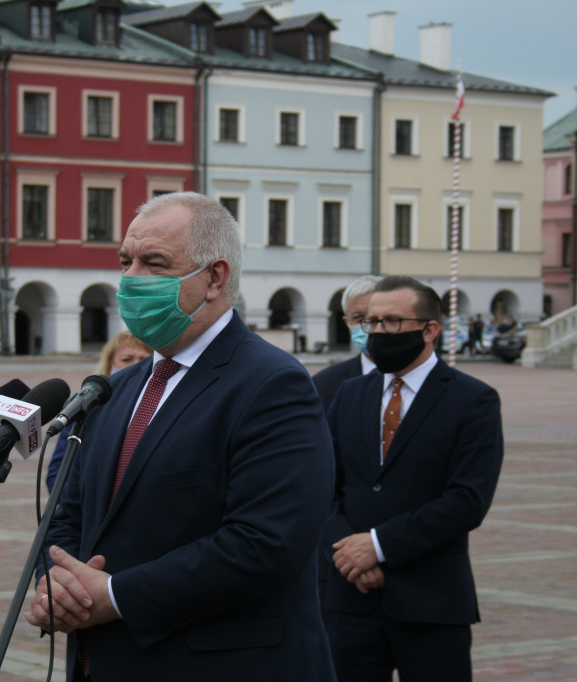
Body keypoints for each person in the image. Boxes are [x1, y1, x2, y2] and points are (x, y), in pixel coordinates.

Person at [25, 191, 336, 681]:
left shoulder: (272, 384)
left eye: (154, 263)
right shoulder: (113, 389)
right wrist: (56, 583)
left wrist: (116, 596)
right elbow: (67, 514)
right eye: (125, 261)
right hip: (101, 661)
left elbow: (266, 543)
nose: (130, 279)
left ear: (214, 278)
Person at [322, 275, 504, 682]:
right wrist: (351, 553)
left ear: (429, 329)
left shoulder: (473, 400)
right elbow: (323, 485)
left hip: (431, 600)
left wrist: (379, 546)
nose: (378, 332)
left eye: (391, 322)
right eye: (371, 322)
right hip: (352, 598)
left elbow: (467, 499)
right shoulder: (349, 394)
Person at [46, 331, 152, 492]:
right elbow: (57, 474)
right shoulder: (85, 406)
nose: (135, 366)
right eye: (127, 359)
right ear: (110, 364)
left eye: (143, 360)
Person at [313, 275, 380, 413]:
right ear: (347, 323)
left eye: (375, 317)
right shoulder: (323, 383)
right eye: (358, 318)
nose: (367, 325)